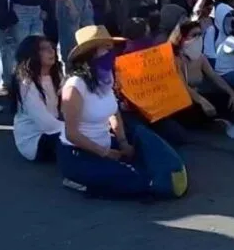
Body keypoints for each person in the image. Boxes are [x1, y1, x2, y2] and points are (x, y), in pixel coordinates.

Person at [57, 25, 188, 198]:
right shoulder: (75, 86)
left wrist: (123, 142)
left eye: (111, 48)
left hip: (105, 144)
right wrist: (106, 153)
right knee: (138, 182)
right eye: (106, 48)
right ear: (90, 55)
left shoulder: (105, 78)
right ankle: (80, 183)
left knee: (147, 159)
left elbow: (114, 112)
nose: (111, 53)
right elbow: (72, 134)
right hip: (79, 153)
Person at [173, 20, 234, 122]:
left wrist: (231, 92)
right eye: (194, 35)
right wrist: (202, 101)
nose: (198, 38)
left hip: (199, 96)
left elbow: (214, 76)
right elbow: (183, 86)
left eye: (200, 34)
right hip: (184, 100)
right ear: (182, 38)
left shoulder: (200, 57)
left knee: (226, 98)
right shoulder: (177, 59)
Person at [11, 35, 64, 162]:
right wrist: (78, 131)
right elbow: (45, 123)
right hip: (36, 140)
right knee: (82, 144)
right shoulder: (26, 84)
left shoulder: (56, 76)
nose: (52, 51)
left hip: (56, 130)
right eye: (44, 49)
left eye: (52, 47)